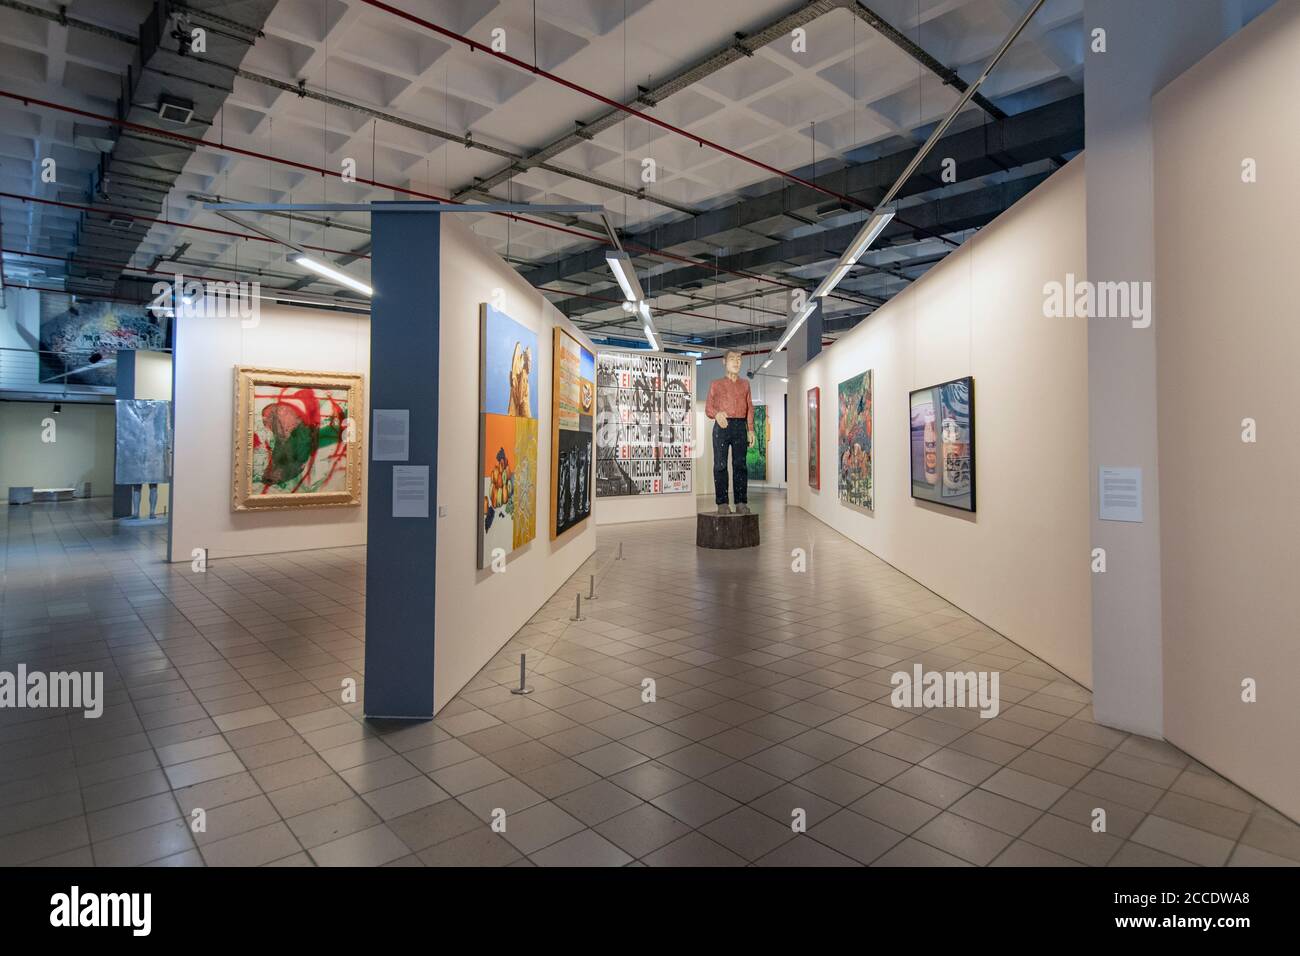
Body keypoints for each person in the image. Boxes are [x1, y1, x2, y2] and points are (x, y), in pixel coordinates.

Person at [704, 350, 756, 514]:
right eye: (732, 359)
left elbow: (749, 408)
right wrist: (717, 414)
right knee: (720, 465)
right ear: (724, 362)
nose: (736, 362)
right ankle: (722, 503)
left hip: (740, 425)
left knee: (740, 465)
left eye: (739, 359)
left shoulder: (745, 384)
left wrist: (751, 429)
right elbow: (708, 408)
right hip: (722, 426)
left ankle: (741, 501)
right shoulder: (716, 384)